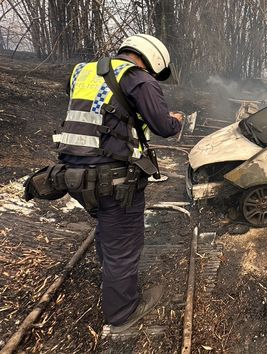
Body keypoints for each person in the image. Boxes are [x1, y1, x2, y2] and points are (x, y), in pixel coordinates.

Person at [53, 34, 183, 332]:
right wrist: (175, 118)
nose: (153, 77)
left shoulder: (82, 71)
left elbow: (98, 114)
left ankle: (109, 268)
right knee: (124, 241)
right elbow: (163, 126)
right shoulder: (140, 80)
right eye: (154, 71)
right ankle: (123, 312)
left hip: (73, 175)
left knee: (107, 225)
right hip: (113, 179)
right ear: (151, 59)